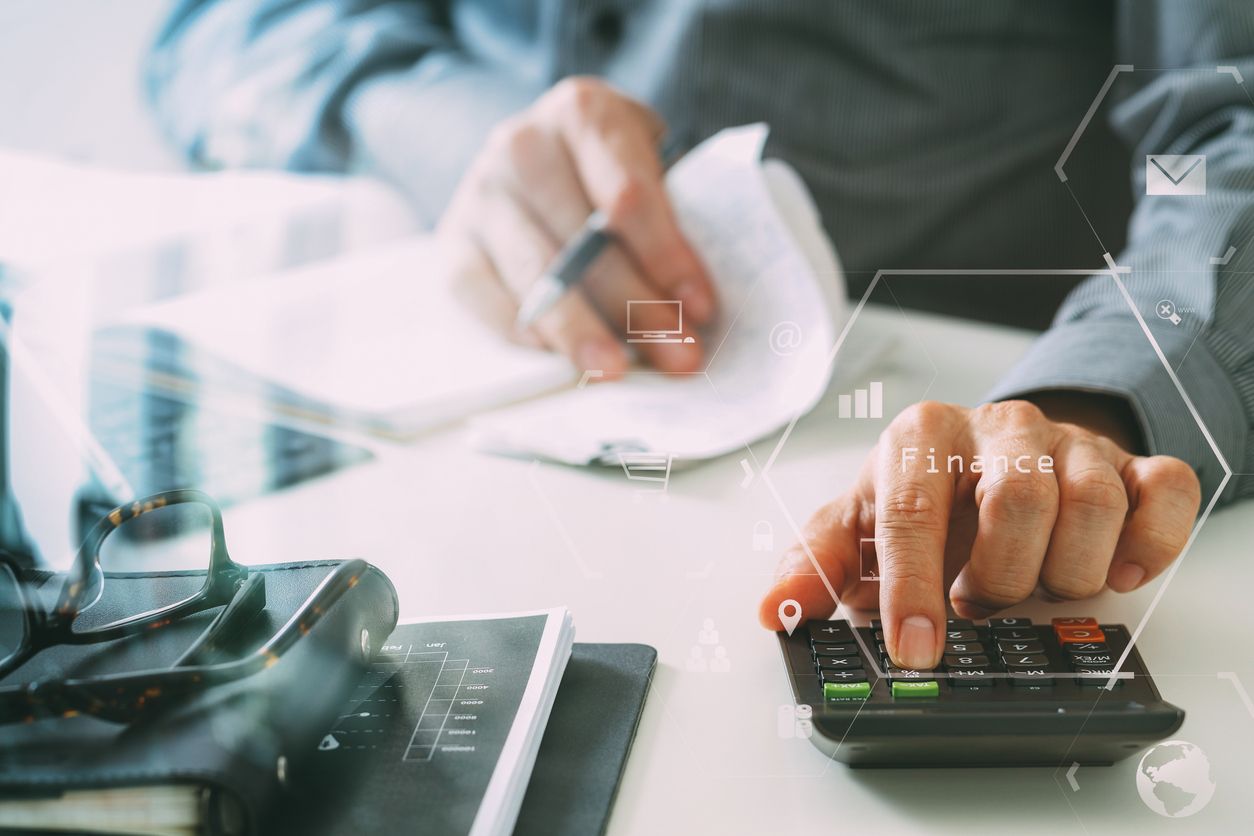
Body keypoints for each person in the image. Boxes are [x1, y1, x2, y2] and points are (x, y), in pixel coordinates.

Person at [147, 1, 1254, 670]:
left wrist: (1086, 405)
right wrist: (457, 131)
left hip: (940, 424)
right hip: (436, 434)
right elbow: (223, 28)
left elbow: (1232, 114)